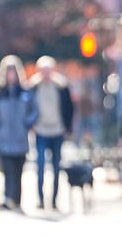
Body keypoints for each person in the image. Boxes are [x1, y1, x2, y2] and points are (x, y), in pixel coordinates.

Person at [0, 55, 38, 213]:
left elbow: (34, 110)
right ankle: (8, 198)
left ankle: (17, 199)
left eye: (13, 72)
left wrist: (27, 123)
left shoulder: (25, 91)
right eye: (8, 72)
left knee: (18, 171)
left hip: (20, 138)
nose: (11, 76)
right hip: (4, 138)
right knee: (7, 171)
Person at [30, 56, 74, 210]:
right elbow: (29, 108)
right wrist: (32, 124)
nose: (46, 73)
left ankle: (54, 200)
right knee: (40, 166)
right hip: (41, 131)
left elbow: (69, 108)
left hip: (57, 130)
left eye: (48, 70)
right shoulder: (33, 87)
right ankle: (41, 199)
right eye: (43, 70)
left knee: (56, 167)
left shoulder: (61, 86)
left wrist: (68, 128)